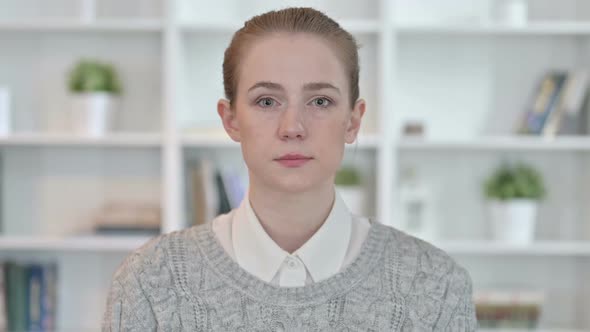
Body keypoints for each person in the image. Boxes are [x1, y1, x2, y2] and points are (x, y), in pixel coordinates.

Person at [102, 7, 477, 331]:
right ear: (231, 119)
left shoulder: (435, 285)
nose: (292, 127)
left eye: (320, 100)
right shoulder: (151, 281)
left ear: (353, 121)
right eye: (267, 101)